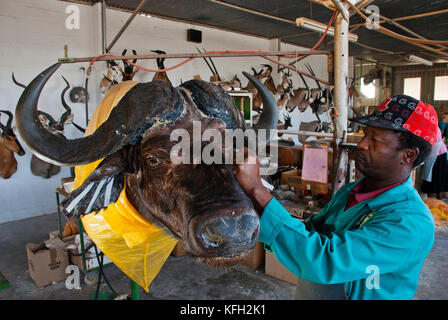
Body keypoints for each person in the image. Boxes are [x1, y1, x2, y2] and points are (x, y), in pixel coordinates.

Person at [233, 95, 437, 300]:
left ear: (408, 155)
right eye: (365, 134)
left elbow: (324, 260)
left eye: (375, 140)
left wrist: (257, 189)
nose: (362, 144)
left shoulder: (410, 223)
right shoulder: (350, 192)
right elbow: (310, 233)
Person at [420, 126, 448, 199]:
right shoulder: (432, 126)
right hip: (438, 152)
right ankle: (435, 196)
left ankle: (433, 196)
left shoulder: (431, 127)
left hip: (438, 153)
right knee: (434, 175)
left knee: (434, 175)